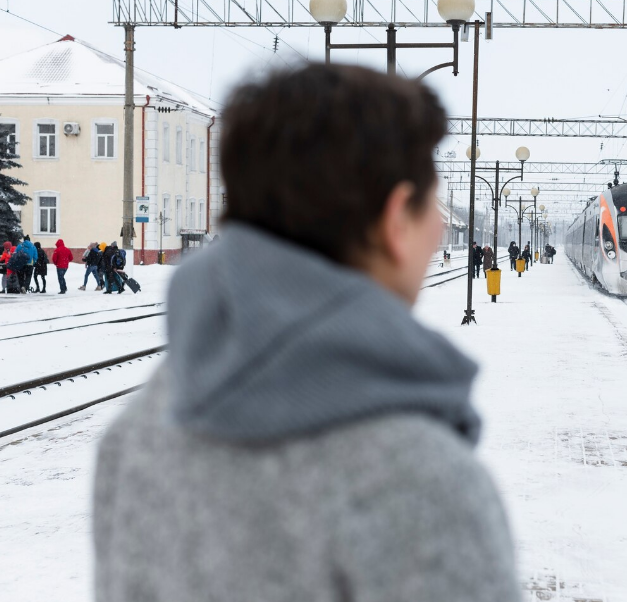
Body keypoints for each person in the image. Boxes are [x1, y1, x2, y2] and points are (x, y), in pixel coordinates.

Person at [93, 64, 519, 602]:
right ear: (395, 219)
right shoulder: (420, 481)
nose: (438, 229)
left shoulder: (137, 432)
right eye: (428, 206)